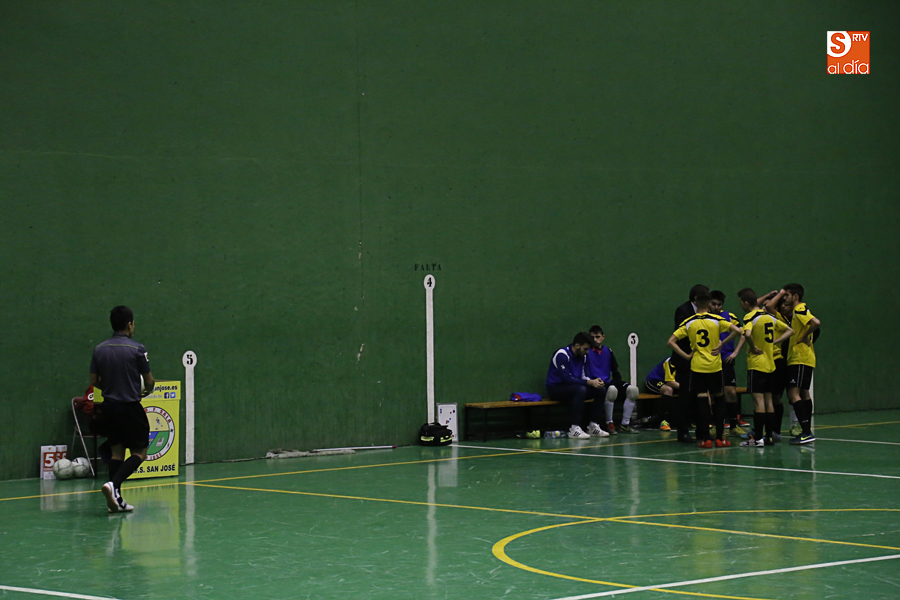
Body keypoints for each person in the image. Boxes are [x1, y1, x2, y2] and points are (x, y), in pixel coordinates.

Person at [90, 306, 155, 513]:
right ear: (130, 324)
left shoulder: (99, 349)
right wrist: (145, 391)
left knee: (117, 453)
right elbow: (149, 381)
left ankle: (116, 500)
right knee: (140, 452)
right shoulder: (138, 349)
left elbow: (94, 381)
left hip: (108, 408)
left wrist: (110, 387)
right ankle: (113, 484)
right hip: (130, 408)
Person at [667, 290, 743, 448]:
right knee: (719, 399)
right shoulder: (716, 320)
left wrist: (687, 355)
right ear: (709, 304)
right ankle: (720, 438)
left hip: (698, 367)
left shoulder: (689, 321)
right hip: (715, 366)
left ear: (696, 303)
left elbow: (671, 342)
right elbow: (737, 331)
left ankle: (705, 439)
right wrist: (722, 344)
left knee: (702, 399)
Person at [737, 288, 793, 447]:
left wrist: (753, 347)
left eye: (741, 302)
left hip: (757, 364)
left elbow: (747, 334)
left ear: (746, 302)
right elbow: (790, 330)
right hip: (771, 364)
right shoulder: (769, 317)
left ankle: (758, 439)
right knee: (769, 401)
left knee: (758, 401)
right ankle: (769, 437)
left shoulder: (750, 316)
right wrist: (775, 342)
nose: (741, 305)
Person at [776, 284, 821, 444]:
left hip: (800, 358)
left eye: (787, 295)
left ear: (795, 296)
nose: (785, 298)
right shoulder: (798, 311)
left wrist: (804, 336)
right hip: (803, 358)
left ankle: (806, 431)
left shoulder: (799, 309)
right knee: (804, 393)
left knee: (792, 394)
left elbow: (816, 322)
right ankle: (806, 430)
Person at [546, 332, 609, 439]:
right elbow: (567, 379)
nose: (587, 352)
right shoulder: (562, 355)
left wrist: (594, 382)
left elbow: (584, 376)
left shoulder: (583, 356)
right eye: (585, 349)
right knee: (580, 390)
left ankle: (593, 426)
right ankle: (574, 429)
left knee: (601, 390)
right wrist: (589, 383)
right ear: (577, 346)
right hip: (555, 389)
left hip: (574, 387)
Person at [586, 326, 641, 434]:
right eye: (592, 337)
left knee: (633, 390)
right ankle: (609, 423)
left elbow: (615, 371)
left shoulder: (608, 351)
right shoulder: (586, 352)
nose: (595, 340)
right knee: (612, 390)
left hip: (608, 381)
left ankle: (625, 424)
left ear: (603, 337)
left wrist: (617, 382)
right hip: (595, 384)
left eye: (598, 337)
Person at [671, 284, 708, 443]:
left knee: (701, 396)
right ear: (696, 299)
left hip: (702, 361)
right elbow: (681, 335)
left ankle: (703, 431)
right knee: (685, 396)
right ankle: (683, 432)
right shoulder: (683, 311)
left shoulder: (707, 312)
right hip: (686, 361)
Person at [709, 290, 747, 435]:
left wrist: (735, 352)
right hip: (710, 360)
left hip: (726, 358)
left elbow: (742, 332)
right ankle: (715, 424)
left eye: (719, 305)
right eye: (713, 304)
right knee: (714, 393)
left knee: (730, 392)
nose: (716, 307)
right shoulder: (704, 318)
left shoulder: (729, 317)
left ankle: (733, 425)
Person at [640, 357, 678, 430]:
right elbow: (670, 382)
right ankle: (664, 421)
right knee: (668, 390)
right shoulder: (670, 361)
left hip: (674, 384)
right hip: (655, 381)